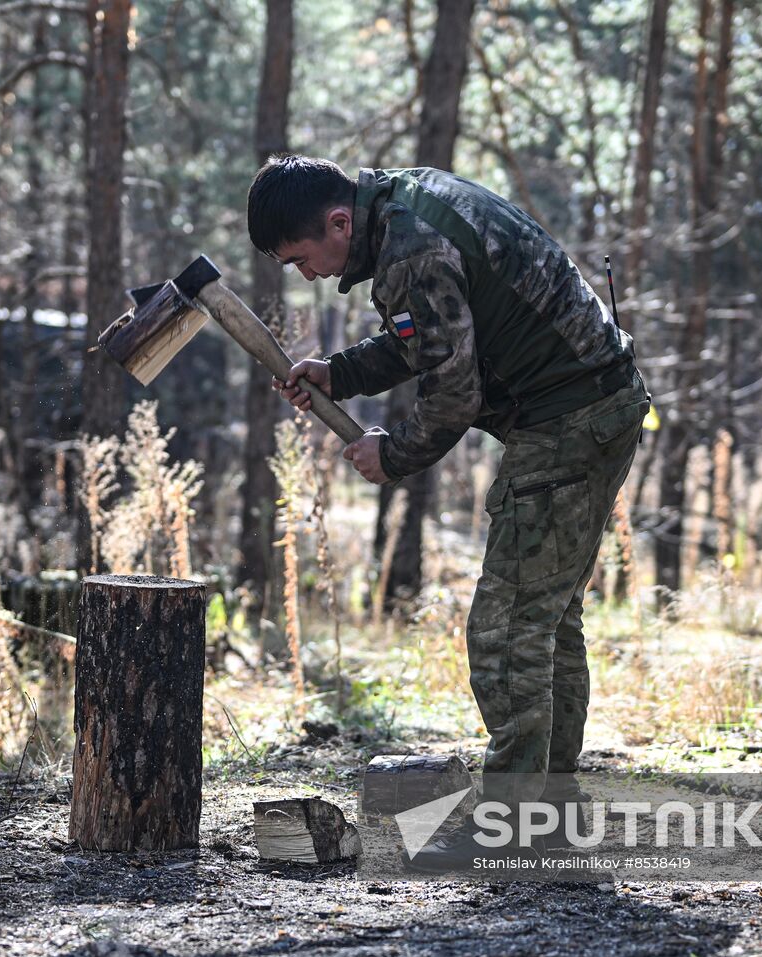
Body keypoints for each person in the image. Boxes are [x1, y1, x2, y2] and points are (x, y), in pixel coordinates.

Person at [248, 156, 649, 865]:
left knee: (508, 627)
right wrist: (338, 372)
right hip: (597, 404)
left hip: (570, 418)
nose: (306, 275)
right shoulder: (405, 203)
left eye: (303, 259)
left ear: (339, 222)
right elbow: (428, 338)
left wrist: (393, 454)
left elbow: (452, 392)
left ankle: (519, 822)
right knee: (547, 620)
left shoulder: (410, 248)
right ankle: (545, 814)